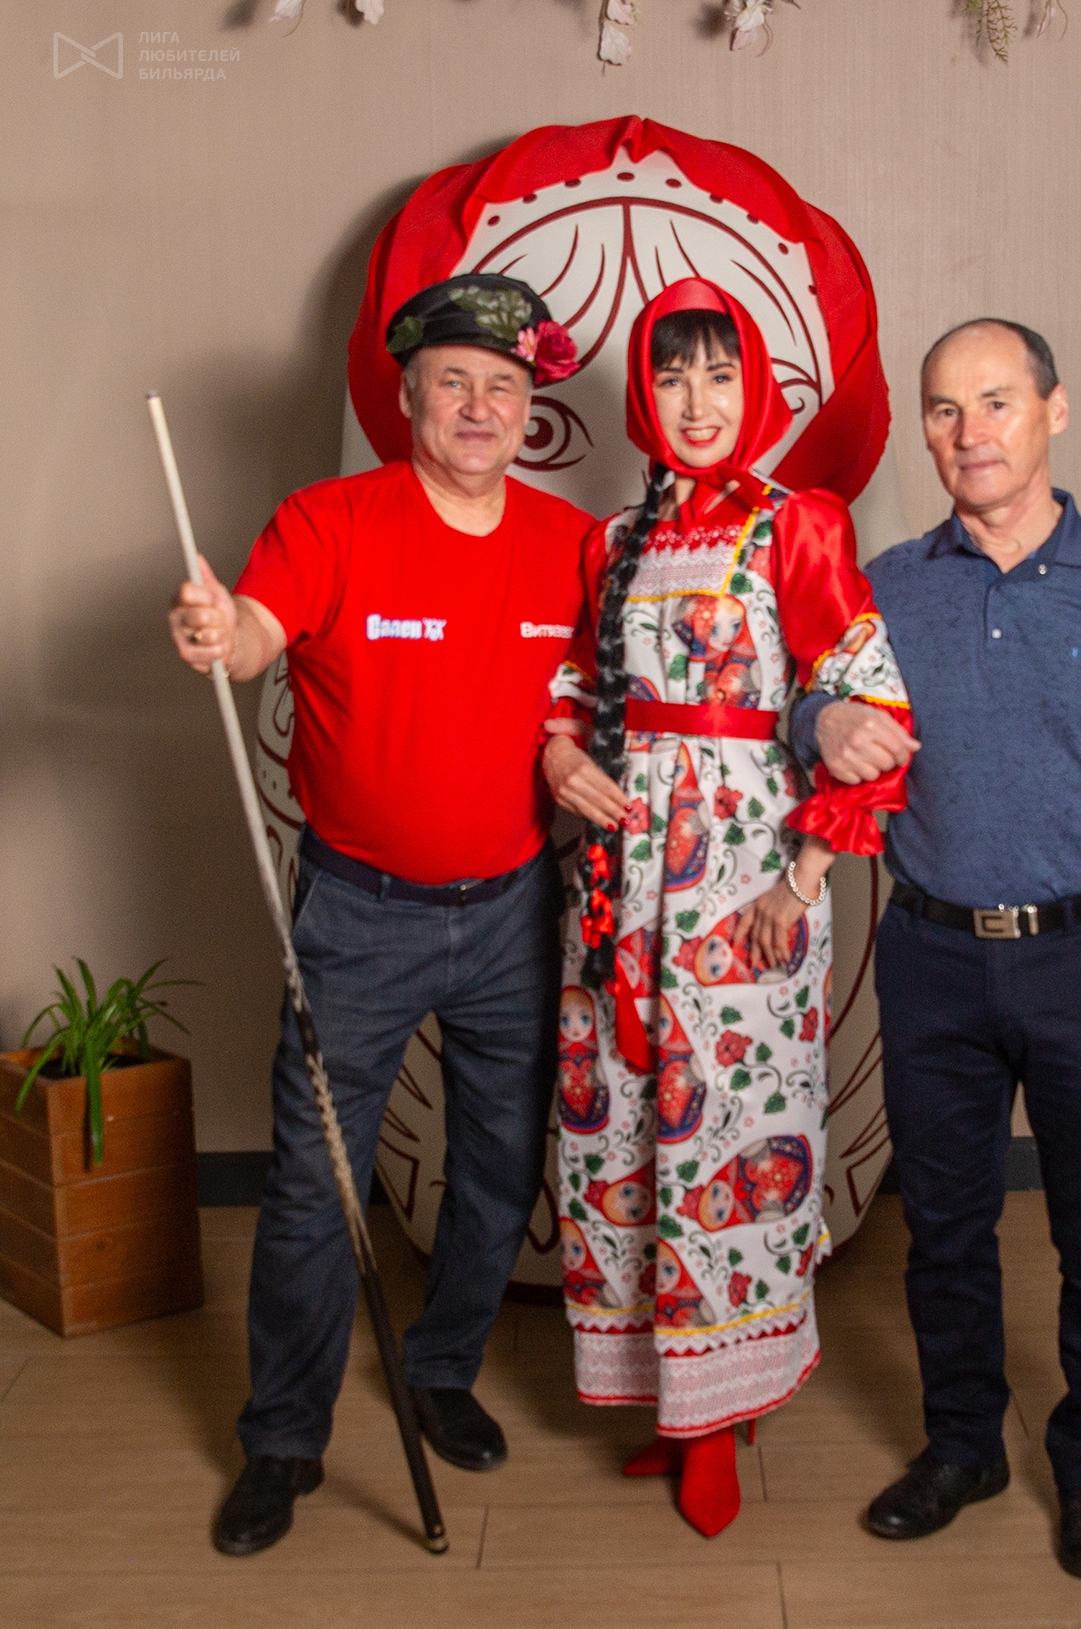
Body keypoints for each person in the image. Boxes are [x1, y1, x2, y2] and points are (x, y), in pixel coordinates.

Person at [791, 318, 1081, 1580]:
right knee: (944, 1225)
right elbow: (800, 696)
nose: (968, 431)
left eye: (995, 401)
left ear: (1053, 411)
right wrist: (821, 722)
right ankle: (963, 1444)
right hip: (931, 955)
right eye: (943, 408)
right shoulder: (885, 584)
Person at [167, 274, 591, 1555]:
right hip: (358, 914)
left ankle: (442, 1366)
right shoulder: (329, 519)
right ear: (407, 394)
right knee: (314, 1185)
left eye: (503, 386)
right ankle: (283, 1437)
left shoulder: (571, 543)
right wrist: (222, 629)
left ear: (529, 409)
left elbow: (602, 696)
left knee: (500, 1164)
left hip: (515, 905)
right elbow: (257, 632)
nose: (480, 406)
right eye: (454, 380)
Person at [541, 278, 918, 1538]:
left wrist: (799, 880)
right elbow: (568, 687)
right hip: (619, 874)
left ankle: (717, 1418)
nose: (695, 403)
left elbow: (874, 706)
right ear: (644, 399)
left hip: (744, 870)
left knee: (728, 1131)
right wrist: (559, 750)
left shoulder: (797, 524)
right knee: (619, 1123)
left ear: (754, 389)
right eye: (671, 377)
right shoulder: (610, 540)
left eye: (719, 375)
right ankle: (669, 1397)